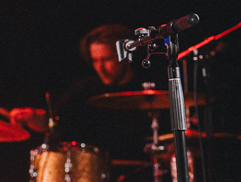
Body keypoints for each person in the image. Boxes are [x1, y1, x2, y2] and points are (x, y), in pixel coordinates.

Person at [9, 23, 156, 165]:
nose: (100, 68)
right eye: (95, 60)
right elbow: (55, 121)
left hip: (140, 171)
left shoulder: (151, 91)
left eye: (107, 59)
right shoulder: (85, 90)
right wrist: (33, 116)